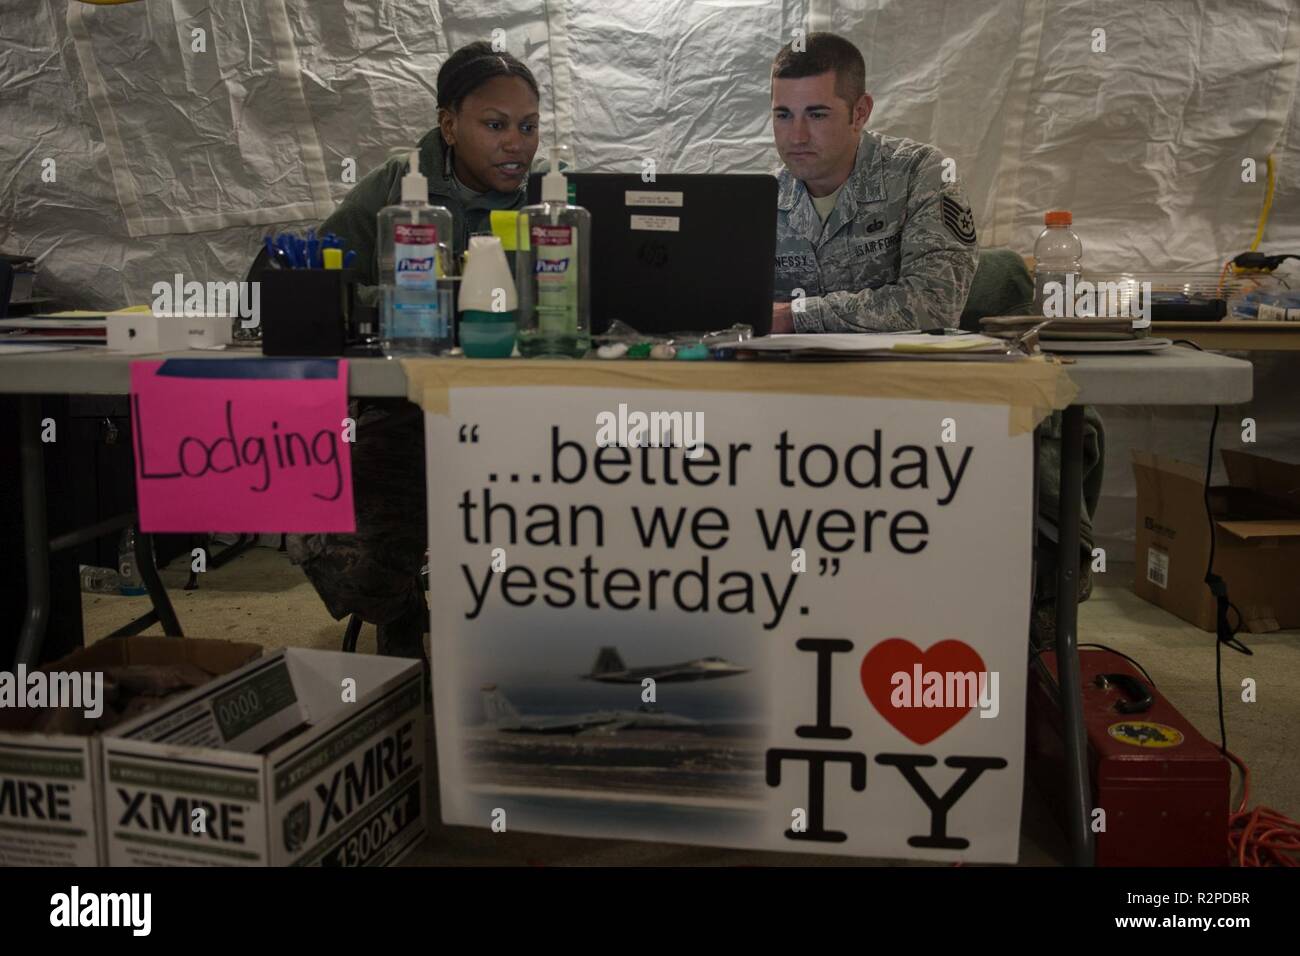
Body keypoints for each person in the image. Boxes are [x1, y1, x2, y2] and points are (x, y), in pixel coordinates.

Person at [286, 43, 541, 660]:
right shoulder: (395, 190)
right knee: (341, 541)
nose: (517, 143)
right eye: (495, 124)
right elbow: (311, 279)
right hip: (413, 412)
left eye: (529, 126)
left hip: (535, 415)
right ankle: (404, 618)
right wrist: (407, 297)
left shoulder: (560, 202)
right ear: (449, 124)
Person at [768, 33, 978, 334]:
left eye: (816, 115)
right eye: (783, 115)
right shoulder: (762, 199)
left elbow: (934, 305)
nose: (797, 136)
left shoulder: (921, 174)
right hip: (787, 375)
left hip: (895, 376)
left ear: (860, 113)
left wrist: (795, 316)